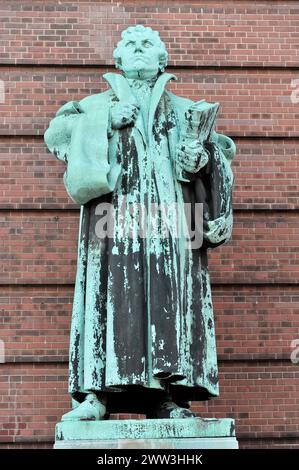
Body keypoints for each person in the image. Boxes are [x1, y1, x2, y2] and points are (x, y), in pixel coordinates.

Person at [44, 25, 235, 421]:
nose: (138, 51)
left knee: (171, 302)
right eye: (130, 45)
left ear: (162, 59)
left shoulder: (184, 110)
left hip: (173, 224)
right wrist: (105, 120)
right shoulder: (95, 104)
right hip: (112, 220)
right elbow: (57, 136)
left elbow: (222, 157)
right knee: (107, 296)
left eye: (147, 45)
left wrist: (201, 161)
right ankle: (95, 396)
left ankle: (166, 398)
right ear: (118, 59)